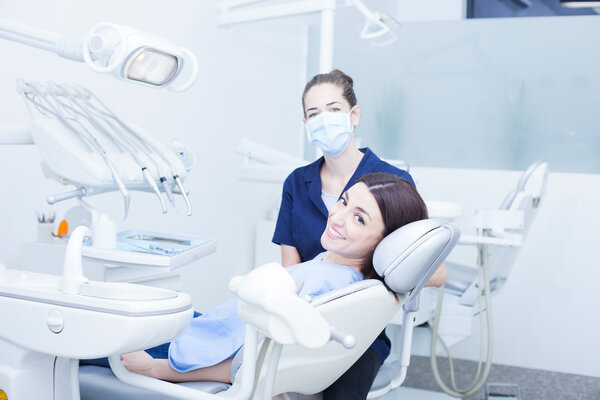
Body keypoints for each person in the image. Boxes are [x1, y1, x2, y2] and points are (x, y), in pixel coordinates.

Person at [87, 173, 428, 385]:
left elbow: (253, 365)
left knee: (74, 332)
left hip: (183, 351)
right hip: (204, 332)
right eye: (343, 202)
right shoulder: (341, 271)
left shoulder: (330, 286)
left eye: (358, 218)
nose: (337, 217)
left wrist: (157, 369)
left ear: (384, 242)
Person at [272, 69, 446, 399]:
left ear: (354, 115)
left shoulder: (391, 182)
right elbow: (289, 268)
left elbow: (435, 271)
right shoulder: (296, 183)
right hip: (302, 317)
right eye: (314, 113)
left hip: (359, 331)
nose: (324, 119)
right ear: (306, 125)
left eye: (333, 109)